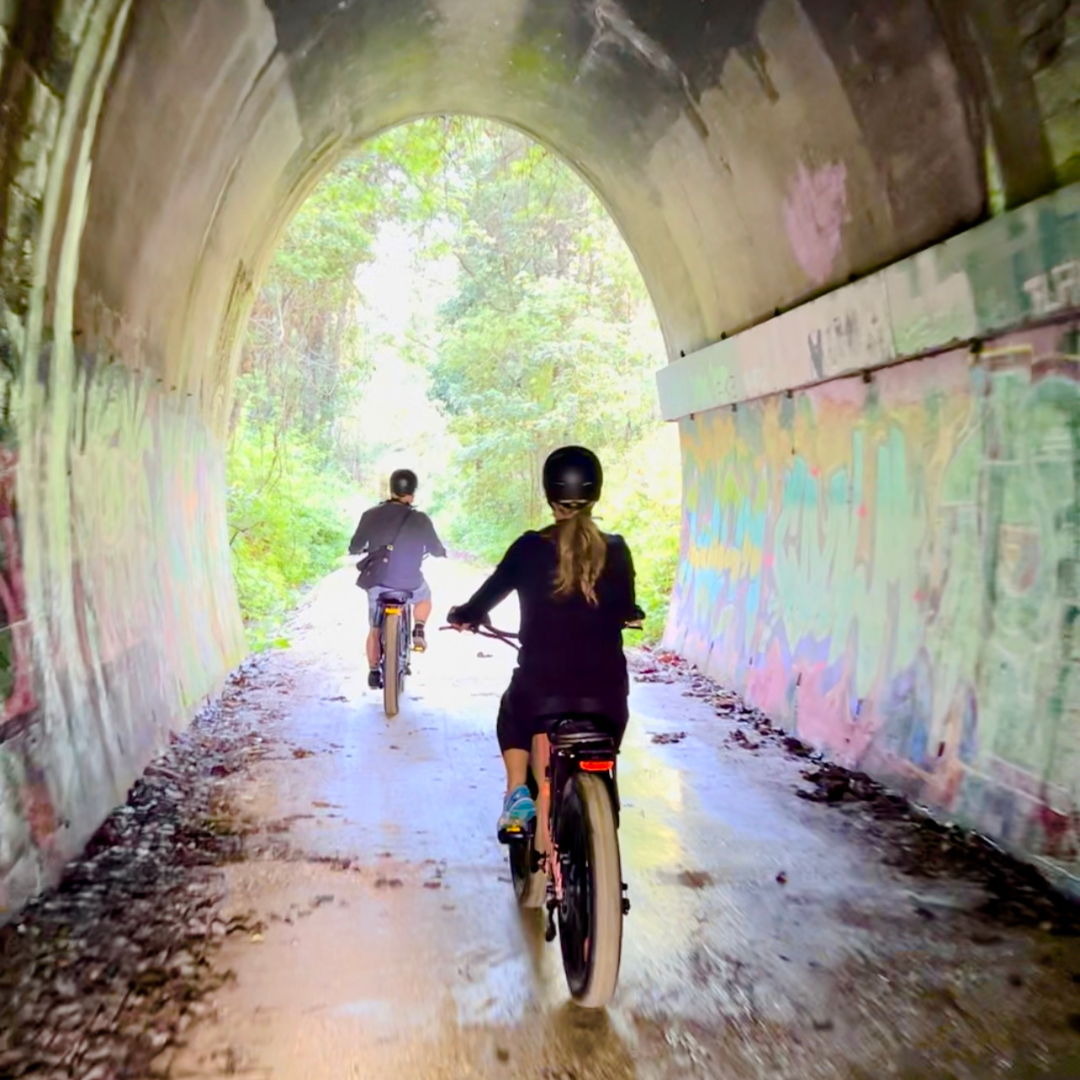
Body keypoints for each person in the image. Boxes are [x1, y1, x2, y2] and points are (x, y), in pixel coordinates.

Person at [447, 446, 644, 841]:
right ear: (596, 493)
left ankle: (517, 795)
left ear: (550, 496)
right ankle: (603, 797)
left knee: (512, 709)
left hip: (541, 691)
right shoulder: (617, 549)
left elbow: (486, 598)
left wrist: (465, 615)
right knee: (605, 738)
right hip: (606, 696)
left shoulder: (528, 548)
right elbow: (627, 608)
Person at [349, 469, 447, 689]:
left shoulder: (370, 515)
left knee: (374, 628)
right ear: (411, 493)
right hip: (410, 582)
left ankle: (374, 671)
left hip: (378, 583)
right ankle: (419, 628)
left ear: (392, 489)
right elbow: (435, 547)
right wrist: (441, 552)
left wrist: (359, 549)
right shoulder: (420, 518)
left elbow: (355, 546)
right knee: (424, 597)